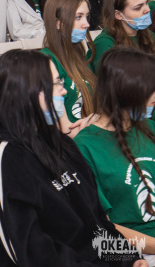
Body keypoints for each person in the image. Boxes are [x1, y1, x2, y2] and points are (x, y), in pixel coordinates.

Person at [0, 49, 146, 267]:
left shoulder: (61, 144)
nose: (64, 91)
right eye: (57, 83)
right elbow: (28, 251)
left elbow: (96, 224)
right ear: (27, 91)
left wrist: (129, 259)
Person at [75, 47, 155, 265]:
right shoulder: (85, 147)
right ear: (127, 91)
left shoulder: (149, 127)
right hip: (136, 253)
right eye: (150, 89)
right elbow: (101, 230)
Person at [41, 0, 96, 126]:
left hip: (89, 130)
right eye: (78, 17)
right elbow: (57, 123)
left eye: (87, 17)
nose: (86, 24)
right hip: (72, 135)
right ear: (57, 23)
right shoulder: (47, 61)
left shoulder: (78, 53)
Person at [88, 0, 155, 71]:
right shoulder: (105, 44)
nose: (147, 9)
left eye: (146, 3)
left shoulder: (149, 35)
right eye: (138, 7)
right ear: (118, 15)